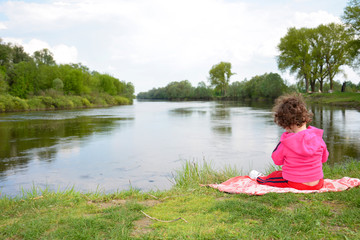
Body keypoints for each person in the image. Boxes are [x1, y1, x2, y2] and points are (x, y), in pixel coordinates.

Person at [249, 93, 329, 190]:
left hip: (295, 183)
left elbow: (277, 160)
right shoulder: (318, 137)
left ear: (285, 124)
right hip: (318, 183)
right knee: (280, 174)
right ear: (305, 118)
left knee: (274, 176)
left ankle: (259, 177)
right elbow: (324, 158)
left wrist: (282, 141)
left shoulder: (287, 141)